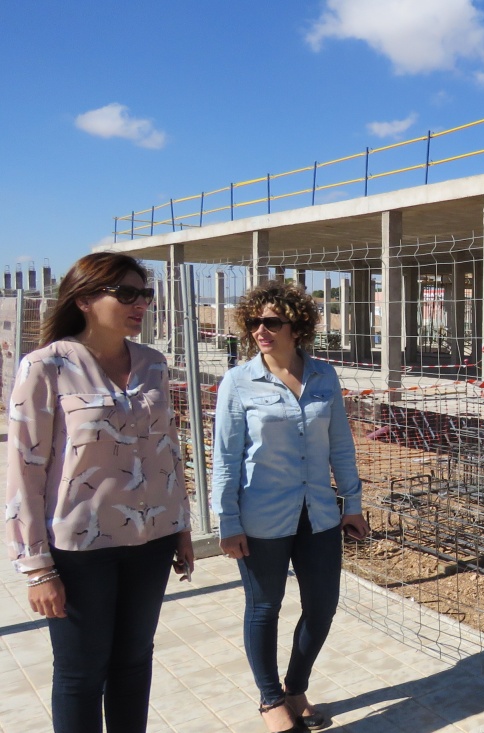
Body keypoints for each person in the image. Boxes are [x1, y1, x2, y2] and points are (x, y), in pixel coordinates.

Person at [5, 252, 194, 733]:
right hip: (80, 549)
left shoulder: (153, 363)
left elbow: (168, 450)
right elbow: (25, 470)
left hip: (151, 542)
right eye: (126, 294)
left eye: (144, 294)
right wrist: (36, 568)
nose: (140, 304)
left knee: (134, 664)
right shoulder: (46, 366)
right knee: (80, 674)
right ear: (86, 298)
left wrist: (182, 526)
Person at [211, 279, 368, 733]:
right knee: (265, 607)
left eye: (272, 322)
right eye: (255, 321)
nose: (262, 329)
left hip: (318, 511)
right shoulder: (239, 382)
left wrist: (352, 503)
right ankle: (269, 700)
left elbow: (341, 443)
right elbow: (225, 456)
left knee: (322, 605)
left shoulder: (323, 375)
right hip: (260, 516)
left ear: (296, 327)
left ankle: (296, 687)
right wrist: (228, 520)